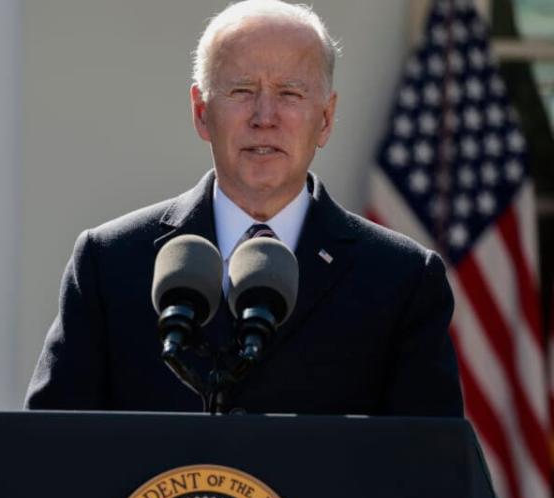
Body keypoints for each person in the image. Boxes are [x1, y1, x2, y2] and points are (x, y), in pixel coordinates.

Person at [25, 0, 462, 416]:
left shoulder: (401, 278)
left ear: (325, 119)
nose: (264, 116)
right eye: (241, 90)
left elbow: (427, 469)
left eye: (290, 93)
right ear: (200, 111)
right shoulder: (110, 262)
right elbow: (48, 450)